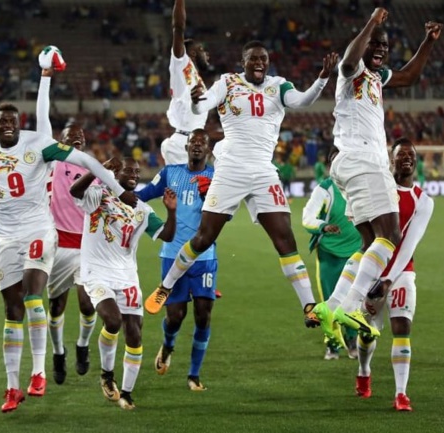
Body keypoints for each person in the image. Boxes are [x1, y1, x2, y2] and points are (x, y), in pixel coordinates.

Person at [144, 40, 338, 330]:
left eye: (264, 58)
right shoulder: (227, 82)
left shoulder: (279, 85)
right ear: (243, 62)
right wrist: (198, 99)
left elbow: (303, 101)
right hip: (231, 169)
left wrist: (323, 77)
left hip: (263, 172)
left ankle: (309, 306)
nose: (259, 63)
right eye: (253, 59)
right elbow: (206, 102)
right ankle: (167, 285)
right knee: (203, 237)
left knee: (285, 238)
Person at [0, 103, 136, 413]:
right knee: (12, 311)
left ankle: (39, 372)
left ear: (19, 123)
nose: (8, 125)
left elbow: (85, 159)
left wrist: (115, 186)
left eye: (13, 120)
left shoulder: (37, 144)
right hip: (6, 239)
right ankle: (13, 387)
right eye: (2, 121)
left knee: (32, 295)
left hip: (41, 232)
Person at [311, 8, 442, 340]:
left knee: (369, 242)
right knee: (391, 237)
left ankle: (332, 304)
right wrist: (371, 25)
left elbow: (409, 76)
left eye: (385, 45)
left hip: (353, 163)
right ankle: (352, 306)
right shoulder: (351, 73)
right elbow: (347, 62)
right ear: (364, 45)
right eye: (375, 44)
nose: (381, 48)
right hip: (363, 159)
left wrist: (427, 41)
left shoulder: (376, 77)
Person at [70, 157, 177, 410]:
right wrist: (99, 170)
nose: (134, 174)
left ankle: (127, 392)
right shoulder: (98, 194)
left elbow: (168, 235)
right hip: (96, 272)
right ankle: (107, 375)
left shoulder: (142, 208)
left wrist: (171, 211)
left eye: (137, 171)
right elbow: (75, 191)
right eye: (129, 170)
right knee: (113, 320)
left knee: (135, 333)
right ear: (114, 172)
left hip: (126, 275)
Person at [355, 138, 434, 412]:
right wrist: (374, 276)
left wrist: (389, 280)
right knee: (369, 333)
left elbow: (409, 243)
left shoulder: (424, 200)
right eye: (401, 155)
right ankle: (364, 370)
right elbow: (359, 222)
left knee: (402, 328)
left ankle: (401, 394)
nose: (407, 159)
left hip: (401, 272)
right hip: (373, 267)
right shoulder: (378, 189)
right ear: (392, 159)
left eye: (411, 155)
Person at [137, 128, 217, 391]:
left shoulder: (216, 177)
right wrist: (118, 197)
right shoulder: (171, 172)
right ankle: (168, 345)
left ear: (208, 149)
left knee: (203, 315)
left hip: (204, 256)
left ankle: (194, 375)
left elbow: (224, 212)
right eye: (192, 142)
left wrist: (210, 196)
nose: (196, 146)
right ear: (186, 148)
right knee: (175, 316)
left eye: (201, 143)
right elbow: (146, 193)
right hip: (172, 253)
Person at [36, 56, 97, 385]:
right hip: (57, 244)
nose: (74, 140)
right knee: (56, 305)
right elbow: (41, 119)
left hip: (86, 245)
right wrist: (46, 76)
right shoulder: (49, 162)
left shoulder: (93, 170)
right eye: (69, 136)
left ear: (84, 143)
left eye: (79, 137)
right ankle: (58, 352)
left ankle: (83, 345)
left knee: (89, 304)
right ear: (60, 140)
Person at [302, 146, 361, 360]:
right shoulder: (324, 189)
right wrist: (323, 227)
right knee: (329, 301)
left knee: (353, 299)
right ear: (330, 165)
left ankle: (352, 340)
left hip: (356, 252)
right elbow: (307, 217)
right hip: (329, 253)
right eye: (335, 161)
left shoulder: (360, 186)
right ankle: (332, 345)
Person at [161, 0, 210, 166]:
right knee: (187, 189)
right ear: (194, 53)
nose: (207, 54)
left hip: (190, 141)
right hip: (183, 143)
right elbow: (178, 28)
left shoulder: (196, 77)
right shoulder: (181, 63)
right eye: (203, 50)